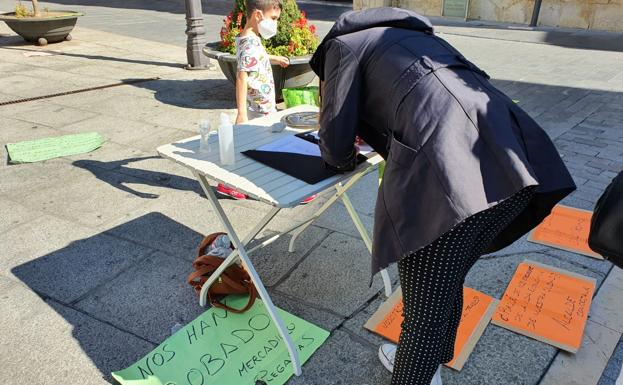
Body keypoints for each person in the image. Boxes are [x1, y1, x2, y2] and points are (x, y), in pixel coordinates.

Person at [310, 8, 576, 385]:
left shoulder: (342, 46)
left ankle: (420, 369)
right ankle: (431, 362)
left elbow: (336, 137)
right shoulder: (415, 36)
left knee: (423, 315)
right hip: (515, 168)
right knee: (443, 281)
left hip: (452, 176)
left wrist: (343, 156)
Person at [218, 0, 315, 204]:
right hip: (258, 107)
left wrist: (273, 58)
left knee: (260, 146)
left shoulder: (249, 38)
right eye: (274, 19)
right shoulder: (249, 41)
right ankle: (289, 186)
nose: (275, 24)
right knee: (272, 146)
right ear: (258, 16)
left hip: (263, 105)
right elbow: (242, 76)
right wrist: (241, 112)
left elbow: (255, 57)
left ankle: (234, 183)